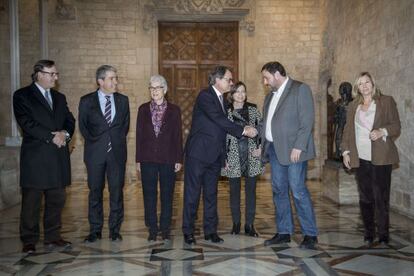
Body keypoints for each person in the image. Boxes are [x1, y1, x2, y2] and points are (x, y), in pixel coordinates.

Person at [182, 65, 257, 245]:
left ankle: (210, 231)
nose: (231, 83)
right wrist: (244, 130)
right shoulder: (205, 96)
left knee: (211, 194)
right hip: (198, 154)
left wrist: (223, 158)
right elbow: (219, 120)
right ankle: (188, 231)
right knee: (192, 194)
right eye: (228, 79)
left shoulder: (223, 101)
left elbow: (221, 132)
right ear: (217, 80)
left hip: (214, 156)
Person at [13, 59, 75, 253]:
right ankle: (29, 240)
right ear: (39, 74)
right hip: (36, 158)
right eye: (52, 74)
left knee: (57, 199)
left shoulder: (59, 97)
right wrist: (51, 137)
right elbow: (26, 123)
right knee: (31, 202)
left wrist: (65, 134)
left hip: (58, 158)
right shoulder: (22, 95)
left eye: (56, 74)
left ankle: (53, 236)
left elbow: (69, 119)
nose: (56, 78)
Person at [260, 61, 318, 249]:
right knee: (279, 190)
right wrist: (261, 145)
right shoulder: (269, 97)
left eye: (267, 77)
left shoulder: (300, 89)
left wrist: (299, 146)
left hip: (294, 151)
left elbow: (307, 120)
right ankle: (284, 231)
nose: (265, 82)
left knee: (298, 190)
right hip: (275, 150)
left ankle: (310, 234)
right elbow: (266, 124)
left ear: (277, 74)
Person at [341, 72, 400, 246]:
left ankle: (383, 236)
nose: (364, 86)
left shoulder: (386, 101)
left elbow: (396, 126)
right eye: (360, 83)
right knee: (365, 198)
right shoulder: (353, 106)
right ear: (357, 88)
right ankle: (368, 233)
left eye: (367, 82)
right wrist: (346, 152)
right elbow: (347, 130)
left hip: (381, 157)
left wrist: (382, 131)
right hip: (361, 158)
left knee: (381, 197)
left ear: (373, 84)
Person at [79, 65, 130, 242]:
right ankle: (95, 230)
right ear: (100, 81)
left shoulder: (123, 100)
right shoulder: (86, 101)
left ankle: (115, 230)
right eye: (111, 78)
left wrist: (112, 141)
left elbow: (124, 127)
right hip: (95, 155)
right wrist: (98, 143)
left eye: (116, 78)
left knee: (117, 192)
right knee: (95, 192)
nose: (115, 81)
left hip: (116, 154)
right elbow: (83, 127)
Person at [136, 75, 183, 242]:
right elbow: (139, 136)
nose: (154, 91)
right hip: (147, 158)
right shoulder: (142, 109)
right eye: (151, 88)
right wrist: (138, 160)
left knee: (167, 194)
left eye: (158, 87)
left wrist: (178, 158)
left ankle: (165, 228)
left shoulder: (174, 110)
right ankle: (152, 228)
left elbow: (178, 136)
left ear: (165, 89)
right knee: (149, 195)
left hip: (168, 158)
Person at [221, 81, 263, 237]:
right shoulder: (226, 111)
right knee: (234, 192)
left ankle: (249, 225)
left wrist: (260, 148)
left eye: (243, 91)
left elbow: (262, 129)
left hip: (252, 154)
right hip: (232, 155)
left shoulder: (253, 109)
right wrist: (222, 157)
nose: (241, 94)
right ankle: (236, 223)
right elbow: (221, 135)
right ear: (231, 95)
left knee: (251, 192)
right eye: (237, 91)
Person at [333, 82, 353, 159]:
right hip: (341, 123)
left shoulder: (353, 102)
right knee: (338, 138)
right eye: (342, 94)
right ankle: (339, 154)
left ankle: (348, 154)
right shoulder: (338, 102)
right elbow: (336, 114)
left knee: (348, 140)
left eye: (345, 93)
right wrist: (336, 115)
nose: (344, 96)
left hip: (349, 124)